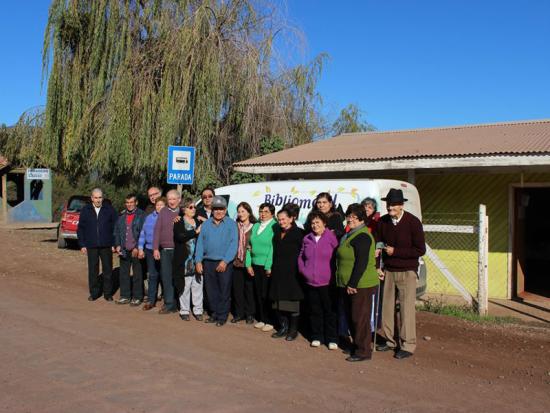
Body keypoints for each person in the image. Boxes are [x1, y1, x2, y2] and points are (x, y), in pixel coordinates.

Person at [376, 189, 426, 360]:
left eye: (394, 205)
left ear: (401, 205)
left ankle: (408, 344)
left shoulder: (413, 222)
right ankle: (390, 341)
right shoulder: (383, 222)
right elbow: (378, 246)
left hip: (407, 271)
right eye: (388, 204)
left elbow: (420, 250)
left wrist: (395, 251)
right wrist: (378, 266)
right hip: (389, 270)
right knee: (387, 309)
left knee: (406, 310)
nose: (390, 207)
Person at [336, 203, 379, 362]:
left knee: (359, 318)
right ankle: (356, 345)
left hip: (361, 285)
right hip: (347, 283)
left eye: (355, 217)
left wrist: (353, 283)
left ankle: (363, 351)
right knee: (351, 316)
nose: (350, 219)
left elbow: (361, 262)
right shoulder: (350, 234)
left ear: (362, 219)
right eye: (349, 216)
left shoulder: (362, 236)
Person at [298, 211, 339, 349]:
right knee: (315, 311)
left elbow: (337, 257)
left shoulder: (331, 237)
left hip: (327, 283)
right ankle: (317, 336)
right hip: (311, 282)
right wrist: (304, 271)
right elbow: (301, 257)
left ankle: (332, 338)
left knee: (329, 311)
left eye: (318, 222)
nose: (315, 225)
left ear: (324, 223)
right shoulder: (307, 238)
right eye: (313, 223)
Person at [195, 196, 238, 326]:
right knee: (210, 290)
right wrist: (198, 261)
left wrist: (225, 261)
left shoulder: (231, 224)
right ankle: (214, 313)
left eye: (221, 209)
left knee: (224, 290)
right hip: (208, 262)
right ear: (212, 210)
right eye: (216, 209)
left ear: (225, 210)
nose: (219, 212)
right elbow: (200, 244)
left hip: (224, 262)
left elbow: (233, 244)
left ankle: (222, 316)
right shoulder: (207, 224)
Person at [269, 208, 304, 341]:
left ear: (291, 218)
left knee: (292, 302)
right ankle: (283, 327)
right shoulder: (277, 232)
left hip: (292, 272)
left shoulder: (299, 233)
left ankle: (293, 330)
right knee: (278, 302)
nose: (281, 221)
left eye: (284, 219)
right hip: (278, 271)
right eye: (279, 219)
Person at [77, 188, 118, 301]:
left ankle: (108, 294)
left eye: (100, 197)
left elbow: (116, 227)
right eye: (96, 198)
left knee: (108, 270)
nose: (98, 200)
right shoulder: (86, 210)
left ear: (102, 198)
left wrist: (114, 243)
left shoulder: (109, 210)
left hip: (106, 245)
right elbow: (81, 228)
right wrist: (82, 244)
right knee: (93, 270)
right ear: (91, 198)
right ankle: (94, 293)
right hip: (91, 245)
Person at [245, 202, 277, 332]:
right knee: (258, 293)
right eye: (261, 212)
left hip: (266, 266)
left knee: (266, 294)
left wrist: (268, 266)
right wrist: (248, 264)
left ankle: (270, 320)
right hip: (254, 264)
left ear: (272, 214)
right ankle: (262, 318)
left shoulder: (274, 226)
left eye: (266, 212)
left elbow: (272, 248)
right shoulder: (256, 225)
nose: (262, 214)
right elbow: (249, 246)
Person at [173, 198, 203, 321]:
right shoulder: (178, 222)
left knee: (197, 285)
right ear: (184, 209)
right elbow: (180, 237)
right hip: (184, 259)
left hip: (197, 258)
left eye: (194, 207)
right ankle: (184, 310)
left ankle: (198, 310)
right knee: (184, 286)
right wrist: (195, 232)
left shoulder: (198, 221)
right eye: (190, 207)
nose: (193, 209)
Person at [114, 194, 146, 306]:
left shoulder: (142, 215)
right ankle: (125, 296)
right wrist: (117, 245)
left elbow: (143, 232)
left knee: (137, 274)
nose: (129, 204)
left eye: (131, 202)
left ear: (136, 203)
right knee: (124, 274)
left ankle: (137, 297)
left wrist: (138, 247)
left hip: (136, 249)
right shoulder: (121, 216)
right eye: (127, 202)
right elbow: (117, 232)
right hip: (124, 249)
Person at [153, 189, 181, 314]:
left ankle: (180, 304)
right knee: (166, 277)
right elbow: (157, 230)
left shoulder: (183, 211)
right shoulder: (163, 211)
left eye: (174, 199)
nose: (172, 201)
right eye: (169, 199)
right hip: (165, 250)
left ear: (179, 200)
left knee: (178, 277)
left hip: (179, 250)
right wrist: (155, 248)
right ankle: (169, 304)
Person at [231, 202, 257, 324]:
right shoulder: (235, 226)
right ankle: (239, 313)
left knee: (249, 290)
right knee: (237, 290)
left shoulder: (255, 226)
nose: (241, 214)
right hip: (236, 262)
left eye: (243, 211)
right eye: (239, 211)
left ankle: (250, 314)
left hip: (249, 263)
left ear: (249, 212)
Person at [139, 197, 165, 310]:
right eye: (158, 205)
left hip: (164, 250)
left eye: (162, 205)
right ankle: (151, 300)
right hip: (149, 250)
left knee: (165, 275)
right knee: (152, 275)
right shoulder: (149, 218)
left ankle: (169, 301)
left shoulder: (169, 218)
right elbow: (143, 233)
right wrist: (140, 248)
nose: (159, 207)